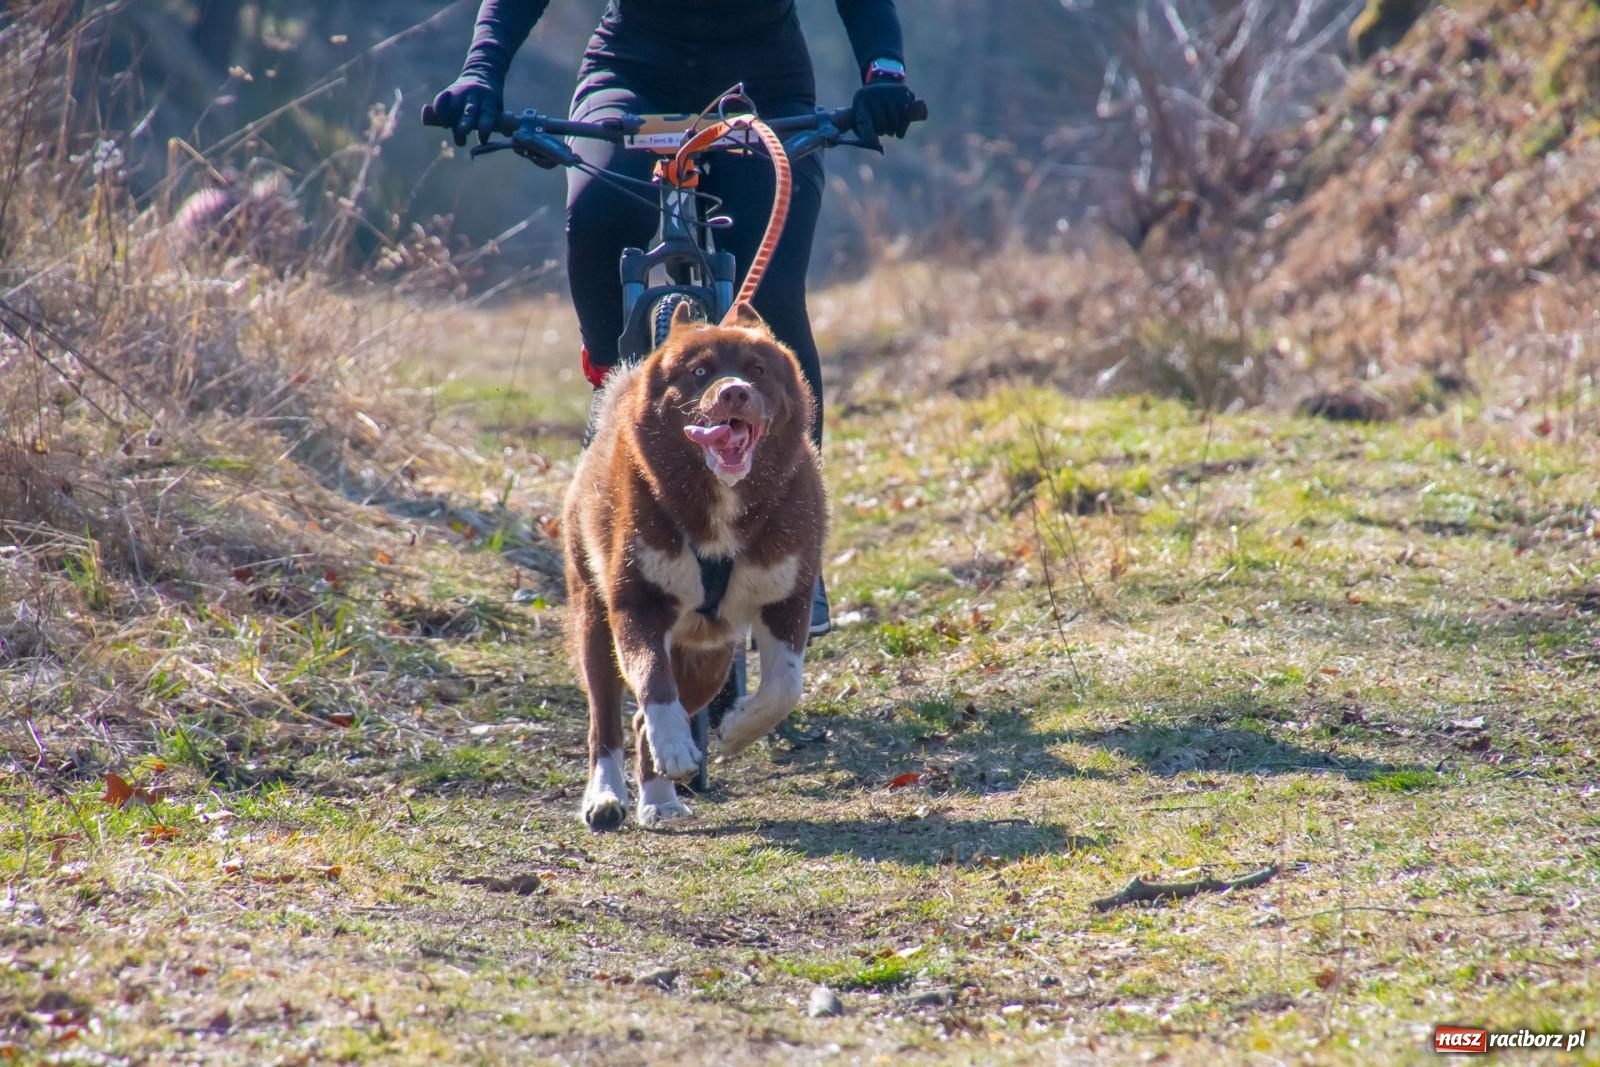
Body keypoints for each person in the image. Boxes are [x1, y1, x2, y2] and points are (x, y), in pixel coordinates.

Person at [430, 0, 919, 636]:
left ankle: (795, 546)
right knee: (599, 216)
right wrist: (480, 72)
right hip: (632, 73)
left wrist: (883, 73)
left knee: (767, 296)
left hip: (762, 86)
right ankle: (613, 388)